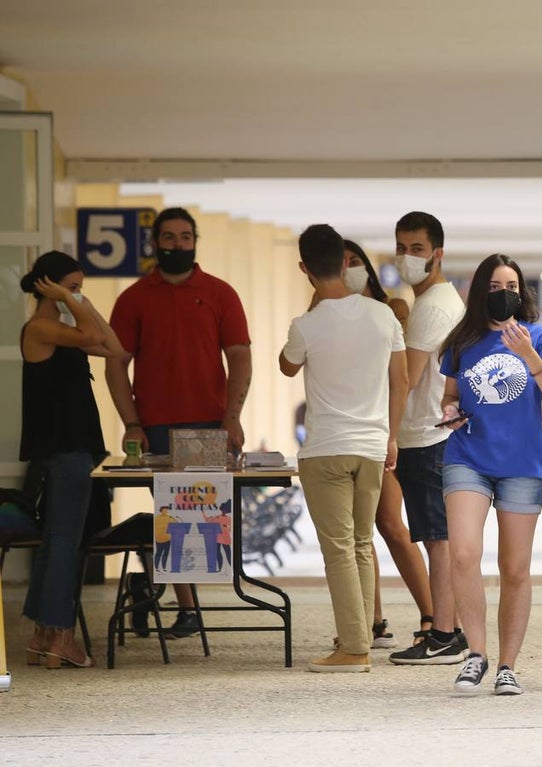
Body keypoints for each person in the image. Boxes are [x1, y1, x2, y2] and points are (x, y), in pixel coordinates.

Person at [107, 207, 253, 639]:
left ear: (195, 241)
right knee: (171, 517)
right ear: (155, 243)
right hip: (156, 428)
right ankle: (186, 608)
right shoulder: (133, 298)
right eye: (168, 237)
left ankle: (153, 584)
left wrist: (233, 417)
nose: (176, 244)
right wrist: (131, 422)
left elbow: (241, 357)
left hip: (210, 425)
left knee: (209, 519)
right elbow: (117, 365)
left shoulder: (219, 292)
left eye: (185, 236)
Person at [279, 224, 408, 672]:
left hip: (326, 449)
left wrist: (314, 306)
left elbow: (286, 367)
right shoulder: (383, 316)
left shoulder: (306, 325)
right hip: (373, 446)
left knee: (338, 548)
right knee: (359, 543)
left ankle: (353, 649)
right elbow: (402, 381)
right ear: (344, 262)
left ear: (304, 268)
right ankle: (360, 639)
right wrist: (392, 436)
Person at [440, 254, 542, 694]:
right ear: (480, 292)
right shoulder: (462, 340)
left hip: (522, 464)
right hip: (468, 456)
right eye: (494, 287)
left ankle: (508, 666)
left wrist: (528, 353)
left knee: (514, 568)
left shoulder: (541, 337)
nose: (504, 293)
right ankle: (476, 653)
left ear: (522, 291)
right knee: (463, 552)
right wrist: (450, 411)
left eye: (511, 285)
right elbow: (450, 395)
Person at [19, 251, 125, 669]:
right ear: (50, 286)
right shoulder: (43, 328)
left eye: (79, 288)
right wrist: (71, 298)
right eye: (71, 286)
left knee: (57, 541)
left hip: (76, 450)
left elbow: (115, 349)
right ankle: (60, 635)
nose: (77, 296)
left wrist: (83, 301)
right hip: (65, 451)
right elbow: (87, 336)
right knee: (65, 542)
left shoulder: (62, 328)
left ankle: (43, 635)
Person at [387, 212, 470, 666]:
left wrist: (387, 431)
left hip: (426, 436)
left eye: (416, 249)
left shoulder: (434, 306)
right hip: (431, 433)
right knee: (439, 537)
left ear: (437, 254)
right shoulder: (430, 303)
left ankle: (444, 634)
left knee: (438, 539)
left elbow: (408, 377)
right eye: (401, 248)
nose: (407, 257)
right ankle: (446, 629)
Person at [341, 239, 432, 649]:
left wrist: (392, 434)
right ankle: (371, 621)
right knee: (357, 531)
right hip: (344, 433)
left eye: (355, 261)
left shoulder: (392, 310)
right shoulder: (324, 312)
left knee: (391, 525)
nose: (348, 269)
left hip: (381, 431)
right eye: (340, 264)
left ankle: (433, 615)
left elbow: (401, 378)